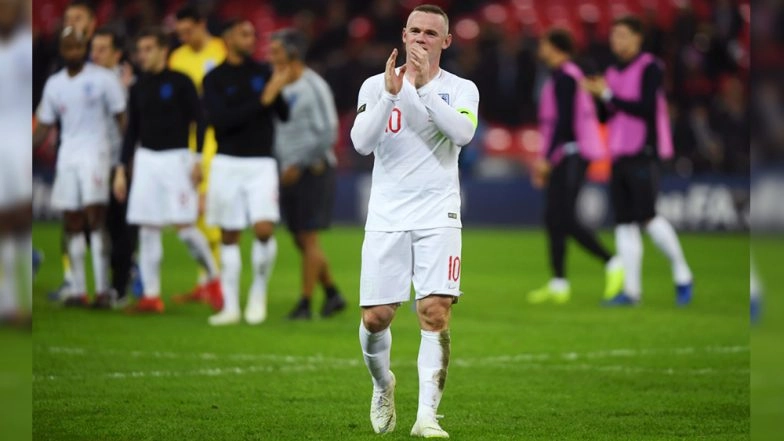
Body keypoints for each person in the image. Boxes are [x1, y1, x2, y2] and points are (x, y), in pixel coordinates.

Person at [349, 4, 479, 438]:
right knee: (376, 318)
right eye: (415, 31)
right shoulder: (376, 84)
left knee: (434, 311)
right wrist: (391, 95)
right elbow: (361, 144)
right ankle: (382, 383)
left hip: (439, 213)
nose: (422, 38)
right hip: (387, 214)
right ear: (404, 35)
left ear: (446, 41)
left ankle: (427, 417)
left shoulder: (461, 89)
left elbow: (463, 134)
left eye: (431, 33)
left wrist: (422, 90)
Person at [582, 15, 693, 306]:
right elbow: (607, 115)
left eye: (622, 35)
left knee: (648, 216)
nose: (616, 41)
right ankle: (632, 292)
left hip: (643, 151)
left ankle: (682, 273)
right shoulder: (611, 71)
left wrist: (607, 93)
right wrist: (597, 97)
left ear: (637, 38)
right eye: (614, 35)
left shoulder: (650, 67)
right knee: (623, 222)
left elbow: (645, 107)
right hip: (618, 152)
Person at [112, 27, 222, 314]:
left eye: (149, 49)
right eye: (140, 50)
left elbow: (200, 120)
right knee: (148, 229)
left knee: (185, 228)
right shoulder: (137, 87)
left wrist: (197, 158)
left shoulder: (181, 82)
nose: (143, 55)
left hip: (177, 160)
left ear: (163, 50)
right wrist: (121, 169)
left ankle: (214, 279)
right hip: (147, 160)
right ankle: (151, 296)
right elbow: (131, 132)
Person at [202, 19, 289, 326]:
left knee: (264, 230)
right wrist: (262, 99)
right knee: (229, 234)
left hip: (261, 163)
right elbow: (221, 121)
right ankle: (230, 307)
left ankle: (258, 293)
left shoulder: (263, 72)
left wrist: (278, 89)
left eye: (253, 34)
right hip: (227, 162)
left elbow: (283, 114)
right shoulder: (214, 78)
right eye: (244, 34)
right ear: (228, 38)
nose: (251, 39)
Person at [528, 29, 624, 305]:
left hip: (571, 153)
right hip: (566, 153)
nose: (541, 50)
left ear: (556, 48)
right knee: (553, 217)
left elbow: (564, 122)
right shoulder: (563, 75)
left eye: (544, 45)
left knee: (564, 217)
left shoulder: (567, 77)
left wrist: (546, 158)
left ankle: (612, 261)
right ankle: (559, 282)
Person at [33, 26, 127, 308]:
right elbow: (44, 125)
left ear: (85, 48)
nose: (73, 52)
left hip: (96, 154)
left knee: (95, 219)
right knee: (72, 221)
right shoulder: (54, 84)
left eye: (78, 46)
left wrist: (123, 159)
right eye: (68, 47)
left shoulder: (104, 80)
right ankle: (78, 290)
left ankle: (103, 290)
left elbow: (123, 119)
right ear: (61, 50)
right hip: (67, 157)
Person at [267, 28, 347, 320]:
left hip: (313, 169)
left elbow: (329, 132)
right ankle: (332, 293)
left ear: (292, 53)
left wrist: (299, 164)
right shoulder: (277, 85)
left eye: (276, 51)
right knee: (299, 238)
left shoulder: (314, 86)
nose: (270, 56)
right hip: (288, 169)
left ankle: (304, 303)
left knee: (308, 237)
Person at [168, 5, 227, 306]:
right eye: (180, 33)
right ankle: (206, 281)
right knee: (194, 212)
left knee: (209, 209)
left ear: (202, 24)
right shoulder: (177, 57)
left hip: (215, 137)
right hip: (187, 139)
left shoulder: (220, 50)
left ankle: (216, 283)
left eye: (188, 30)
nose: (184, 37)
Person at [90, 26, 138, 305]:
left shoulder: (131, 84)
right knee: (96, 226)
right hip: (93, 163)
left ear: (117, 53)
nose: (95, 55)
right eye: (93, 49)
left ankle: (120, 285)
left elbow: (132, 127)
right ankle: (108, 281)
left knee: (121, 227)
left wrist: (126, 164)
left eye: (102, 49)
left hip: (123, 163)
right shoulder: (85, 79)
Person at [0, 0, 32, 324]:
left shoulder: (25, 48)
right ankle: (8, 301)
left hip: (19, 146)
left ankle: (25, 298)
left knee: (20, 219)